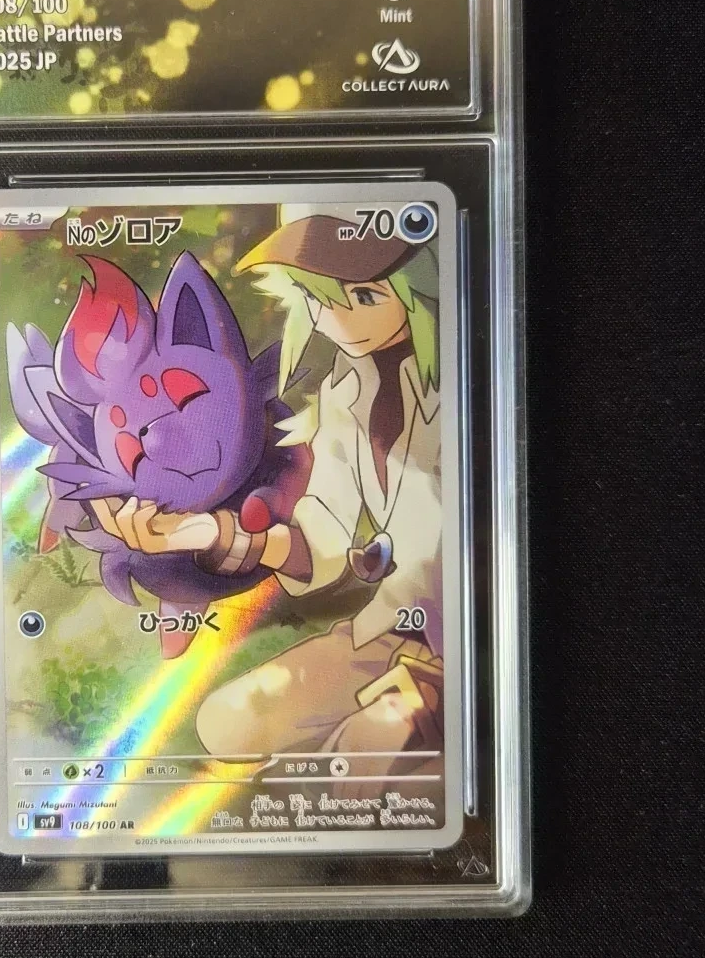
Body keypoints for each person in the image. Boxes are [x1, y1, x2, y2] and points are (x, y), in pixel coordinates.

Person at [90, 202, 445, 781]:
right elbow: (322, 537)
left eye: (364, 297)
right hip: (390, 631)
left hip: (465, 637)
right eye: (321, 298)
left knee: (360, 764)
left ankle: (423, 728)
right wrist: (206, 534)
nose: (340, 320)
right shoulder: (346, 392)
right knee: (227, 724)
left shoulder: (458, 388)